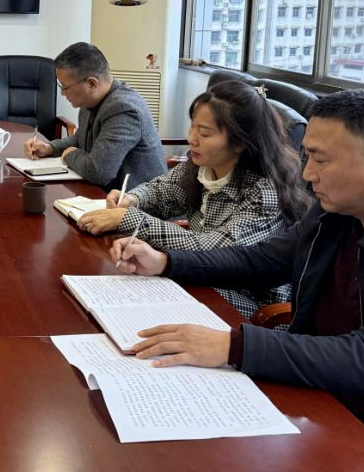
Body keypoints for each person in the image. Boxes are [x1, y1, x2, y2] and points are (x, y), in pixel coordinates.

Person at [111, 89, 364, 472]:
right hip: (317, 402)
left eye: (320, 160)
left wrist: (233, 345)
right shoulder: (337, 209)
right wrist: (167, 262)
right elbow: (262, 260)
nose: (307, 174)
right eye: (306, 156)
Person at [77, 80, 311, 319]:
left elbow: (216, 251)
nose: (192, 139)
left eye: (205, 133)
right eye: (192, 128)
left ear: (240, 142)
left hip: (248, 303)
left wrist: (130, 219)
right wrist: (132, 199)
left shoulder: (265, 191)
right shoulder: (203, 165)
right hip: (202, 277)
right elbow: (162, 191)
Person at [23, 42, 166, 190]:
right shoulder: (90, 101)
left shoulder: (124, 109)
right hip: (106, 194)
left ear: (92, 84)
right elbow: (80, 139)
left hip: (137, 201)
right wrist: (50, 148)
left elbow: (98, 172)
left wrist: (69, 155)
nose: (62, 93)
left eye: (65, 87)